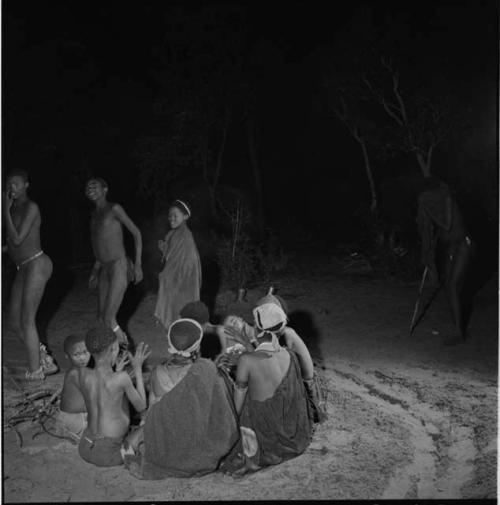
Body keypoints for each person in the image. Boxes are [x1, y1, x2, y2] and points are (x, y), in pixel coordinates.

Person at [125, 318, 239, 479]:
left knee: (130, 441)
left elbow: (150, 413)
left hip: (165, 445)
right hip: (196, 444)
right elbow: (220, 411)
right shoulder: (205, 371)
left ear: (169, 343)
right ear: (198, 346)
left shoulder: (157, 373)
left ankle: (135, 461)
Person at [221, 299, 313, 476]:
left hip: (264, 433)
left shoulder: (246, 360)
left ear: (256, 329)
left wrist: (231, 422)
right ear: (280, 329)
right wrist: (247, 346)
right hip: (288, 430)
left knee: (241, 398)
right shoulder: (289, 354)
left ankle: (252, 456)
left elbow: (238, 407)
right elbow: (265, 358)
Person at [3, 169, 58, 380]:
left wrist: (4, 211)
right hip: (23, 266)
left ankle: (36, 371)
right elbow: (13, 244)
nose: (11, 188)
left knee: (27, 320)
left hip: (37, 263)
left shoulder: (30, 207)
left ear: (26, 184)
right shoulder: (13, 208)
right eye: (8, 184)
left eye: (16, 183)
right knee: (15, 322)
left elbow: (17, 239)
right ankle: (43, 357)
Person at [77, 326, 150, 467]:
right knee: (149, 425)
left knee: (120, 402)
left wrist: (117, 370)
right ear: (113, 349)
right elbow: (142, 406)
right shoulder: (121, 378)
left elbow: (107, 396)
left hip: (85, 446)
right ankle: (127, 452)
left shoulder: (84, 375)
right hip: (109, 456)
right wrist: (138, 369)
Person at [416, 177, 475, 345]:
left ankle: (459, 331)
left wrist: (431, 214)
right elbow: (440, 232)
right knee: (449, 288)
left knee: (452, 286)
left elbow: (448, 225)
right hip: (452, 248)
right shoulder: (437, 204)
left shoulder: (447, 199)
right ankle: (458, 327)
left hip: (464, 244)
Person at [85, 177, 143, 347]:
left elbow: (137, 233)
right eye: (87, 187)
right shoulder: (94, 215)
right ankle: (111, 359)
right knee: (102, 318)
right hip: (104, 269)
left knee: (110, 317)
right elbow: (99, 246)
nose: (90, 189)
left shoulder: (114, 209)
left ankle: (126, 355)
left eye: (94, 186)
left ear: (105, 189)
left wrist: (138, 265)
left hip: (118, 265)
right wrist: (95, 271)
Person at [154, 200, 202, 330]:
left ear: (185, 216)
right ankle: (174, 332)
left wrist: (169, 274)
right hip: (175, 275)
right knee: (173, 307)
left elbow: (187, 259)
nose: (171, 218)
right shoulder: (173, 233)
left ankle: (181, 335)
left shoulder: (186, 235)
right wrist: (163, 247)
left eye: (175, 215)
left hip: (184, 278)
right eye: (170, 215)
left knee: (180, 307)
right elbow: (172, 254)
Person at [48, 334, 91, 442]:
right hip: (75, 420)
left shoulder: (78, 371)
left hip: (70, 418)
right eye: (76, 355)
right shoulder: (76, 373)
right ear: (67, 356)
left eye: (85, 352)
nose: (82, 358)